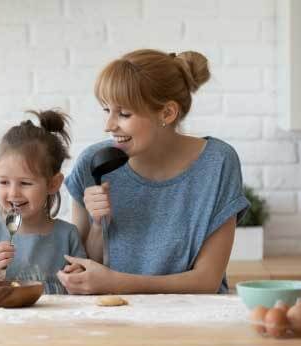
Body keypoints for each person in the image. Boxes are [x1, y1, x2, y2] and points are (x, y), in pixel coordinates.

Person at [58, 49, 249, 295]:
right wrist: (97, 225)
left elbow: (207, 281)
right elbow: (81, 270)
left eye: (124, 113)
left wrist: (117, 283)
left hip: (195, 318)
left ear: (167, 113)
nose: (109, 125)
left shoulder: (218, 163)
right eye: (107, 110)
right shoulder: (93, 164)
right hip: (114, 317)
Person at [0, 110, 86, 294]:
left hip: (55, 323)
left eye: (25, 183)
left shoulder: (68, 236)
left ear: (53, 184)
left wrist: (77, 278)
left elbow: (84, 289)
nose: (13, 193)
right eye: (4, 182)